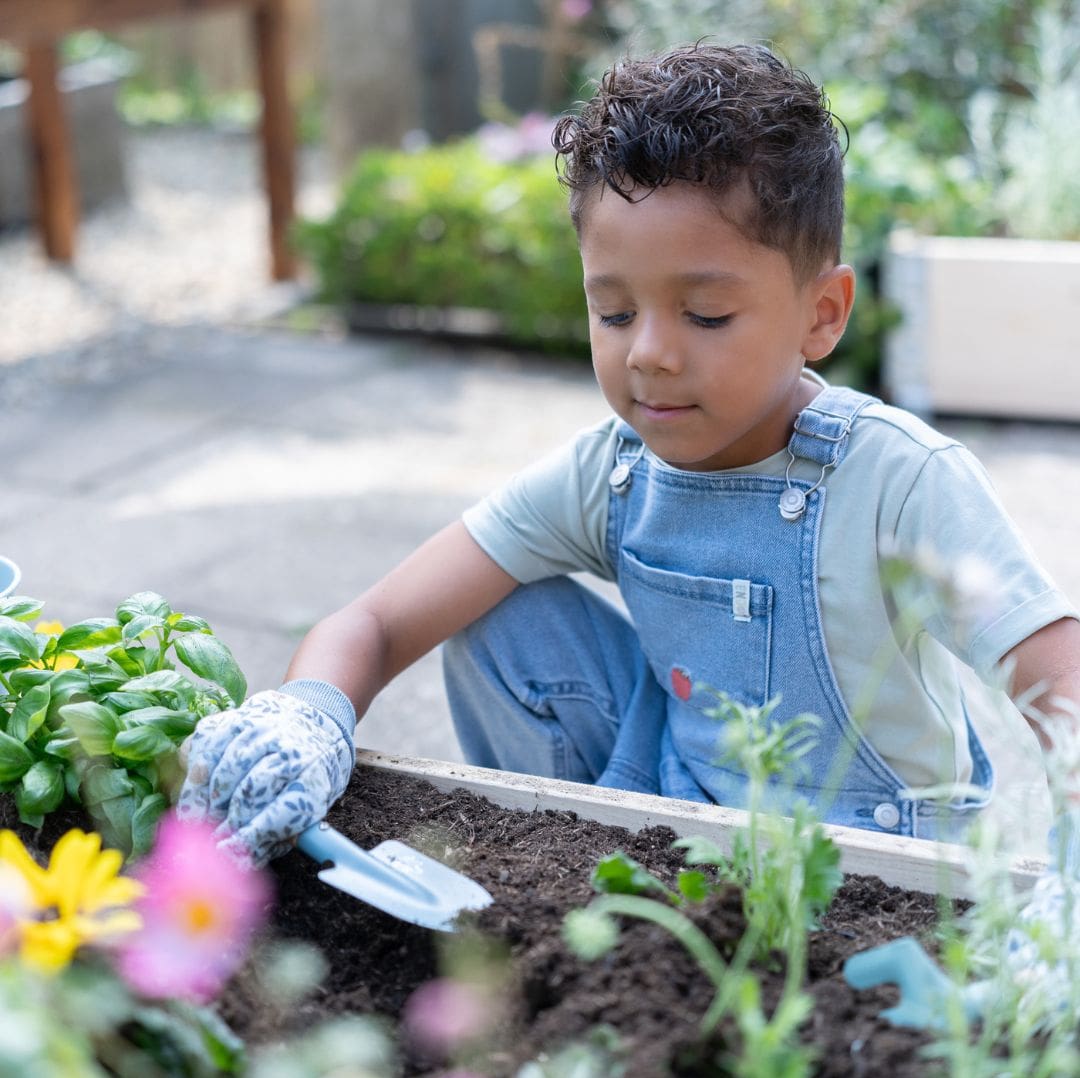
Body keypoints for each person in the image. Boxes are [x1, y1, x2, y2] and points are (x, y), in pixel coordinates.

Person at [179, 42, 1080, 868]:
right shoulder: (612, 472)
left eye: (706, 314)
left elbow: (1058, 682)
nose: (648, 351)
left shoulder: (898, 480)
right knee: (498, 617)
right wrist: (306, 718)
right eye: (614, 312)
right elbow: (375, 621)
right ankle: (577, 871)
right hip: (678, 830)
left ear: (824, 313)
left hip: (878, 870)